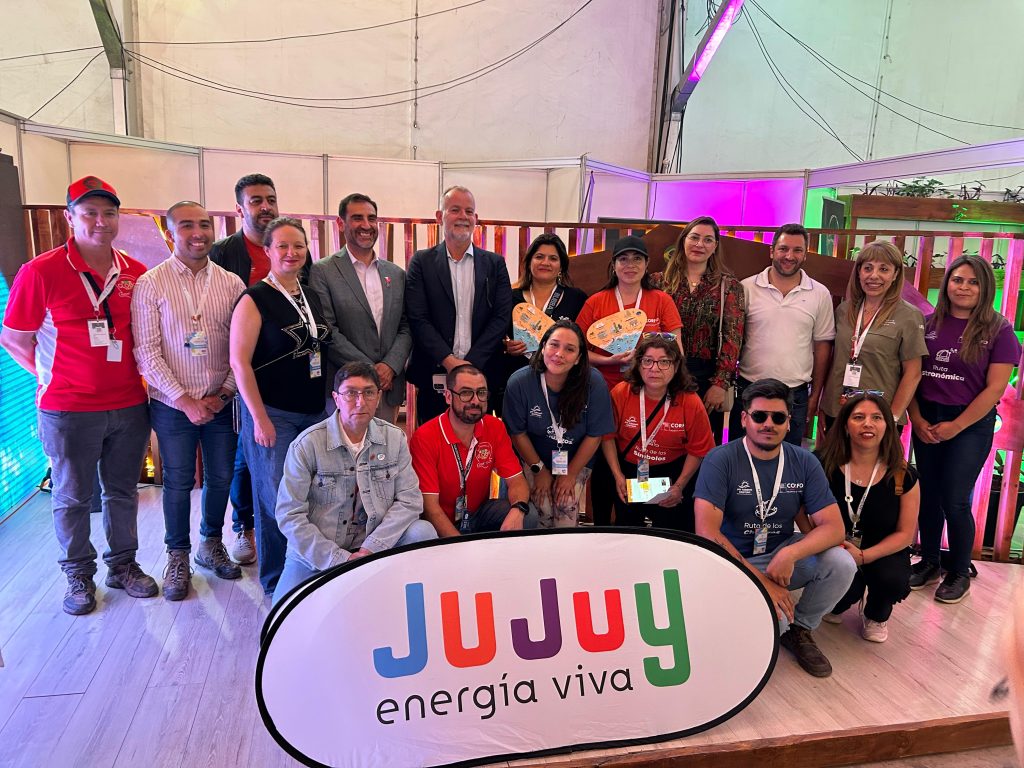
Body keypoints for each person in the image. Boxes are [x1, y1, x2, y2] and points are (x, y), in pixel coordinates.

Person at [1, 176, 158, 614]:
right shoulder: (41, 271)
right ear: (70, 218)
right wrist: (51, 376)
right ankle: (78, 574)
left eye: (109, 213)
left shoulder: (135, 272)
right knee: (72, 497)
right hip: (68, 409)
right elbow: (14, 338)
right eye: (90, 213)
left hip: (128, 404)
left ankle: (123, 566)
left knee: (122, 492)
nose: (101, 221)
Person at [695, 378, 855, 677]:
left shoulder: (804, 461)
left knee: (841, 562)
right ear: (744, 419)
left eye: (778, 418)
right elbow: (707, 533)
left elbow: (834, 528)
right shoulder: (721, 459)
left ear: (788, 422)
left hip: (780, 554)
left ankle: (801, 629)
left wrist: (790, 553)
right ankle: (764, 620)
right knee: (771, 626)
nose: (768, 424)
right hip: (732, 562)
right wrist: (762, 582)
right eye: (760, 416)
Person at [131, 201, 247, 601]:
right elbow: (146, 352)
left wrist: (224, 392)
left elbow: (241, 347)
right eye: (186, 225)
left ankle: (210, 544)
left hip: (221, 401)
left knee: (221, 477)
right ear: (170, 233)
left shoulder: (231, 284)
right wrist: (184, 400)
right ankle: (177, 555)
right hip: (171, 405)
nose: (198, 233)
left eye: (204, 224)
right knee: (179, 481)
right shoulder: (151, 284)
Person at [272, 363, 438, 604]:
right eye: (351, 393)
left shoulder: (394, 438)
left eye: (368, 392)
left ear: (378, 397)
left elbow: (410, 500)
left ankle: (398, 598)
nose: (360, 402)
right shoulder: (307, 444)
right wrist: (339, 559)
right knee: (283, 612)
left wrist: (372, 548)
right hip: (320, 551)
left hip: (375, 543)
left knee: (423, 532)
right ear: (336, 399)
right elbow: (289, 515)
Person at [908, 256, 1022, 604]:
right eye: (958, 280)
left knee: (955, 499)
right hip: (927, 419)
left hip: (969, 424)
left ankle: (958, 571)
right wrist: (917, 418)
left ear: (984, 287)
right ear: (947, 284)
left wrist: (956, 426)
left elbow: (994, 389)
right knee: (928, 494)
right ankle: (929, 561)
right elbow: (911, 376)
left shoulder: (998, 330)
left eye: (973, 282)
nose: (964, 287)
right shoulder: (927, 323)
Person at [229, 217, 330, 597]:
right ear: (268, 250)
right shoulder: (254, 298)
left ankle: (306, 573)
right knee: (276, 501)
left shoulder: (310, 296)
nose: (291, 253)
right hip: (274, 414)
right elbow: (239, 362)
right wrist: (258, 418)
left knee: (312, 497)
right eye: (283, 246)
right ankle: (276, 582)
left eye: (298, 246)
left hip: (313, 412)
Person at [575, 234, 683, 525]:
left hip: (652, 397)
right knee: (603, 465)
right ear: (613, 265)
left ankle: (643, 525)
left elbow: (677, 348)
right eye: (623, 259)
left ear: (647, 265)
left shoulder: (661, 300)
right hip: (605, 394)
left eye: (637, 259)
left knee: (643, 457)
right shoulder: (597, 302)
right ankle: (601, 526)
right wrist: (607, 360)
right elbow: (577, 351)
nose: (630, 265)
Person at [210, 173, 289, 566]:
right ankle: (243, 526)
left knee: (279, 458)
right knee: (244, 454)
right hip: (238, 370)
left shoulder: (286, 248)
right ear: (240, 209)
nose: (265, 207)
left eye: (270, 199)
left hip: (283, 372)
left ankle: (288, 529)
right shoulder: (223, 253)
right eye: (256, 201)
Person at [814, 393, 919, 643]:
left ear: (888, 426)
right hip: (835, 546)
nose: (868, 424)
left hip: (883, 550)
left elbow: (905, 534)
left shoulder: (903, 474)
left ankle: (877, 614)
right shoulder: (822, 464)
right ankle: (846, 595)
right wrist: (825, 546)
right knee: (840, 594)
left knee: (892, 579)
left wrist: (864, 556)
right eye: (858, 417)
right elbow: (802, 511)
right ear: (845, 425)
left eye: (877, 418)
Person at [406, 186, 513, 424]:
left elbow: (501, 317)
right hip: (434, 373)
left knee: (478, 440)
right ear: (439, 216)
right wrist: (449, 361)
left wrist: (470, 365)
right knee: (434, 439)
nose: (463, 216)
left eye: (469, 211)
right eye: (455, 210)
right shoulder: (422, 262)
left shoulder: (495, 264)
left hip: (482, 374)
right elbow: (417, 317)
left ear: (476, 219)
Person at [309, 193, 411, 423]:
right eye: (357, 218)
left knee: (384, 445)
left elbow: (406, 326)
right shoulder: (323, 271)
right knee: (344, 447)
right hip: (346, 389)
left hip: (388, 388)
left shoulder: (396, 274)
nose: (366, 225)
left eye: (371, 218)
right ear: (341, 223)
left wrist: (390, 366)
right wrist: (371, 371)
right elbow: (327, 330)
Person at [730, 223, 835, 445]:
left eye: (797, 250)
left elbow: (822, 346)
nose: (789, 256)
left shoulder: (820, 294)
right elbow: (733, 338)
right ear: (772, 251)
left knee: (788, 457)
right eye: (783, 249)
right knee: (741, 454)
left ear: (805, 255)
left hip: (795, 395)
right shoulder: (746, 288)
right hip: (749, 389)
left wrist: (815, 395)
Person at [502, 320, 613, 527]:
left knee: (565, 510)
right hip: (534, 458)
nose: (559, 354)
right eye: (554, 345)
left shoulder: (594, 383)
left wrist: (571, 474)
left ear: (579, 358)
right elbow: (517, 433)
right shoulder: (519, 382)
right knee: (541, 510)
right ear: (543, 346)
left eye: (570, 349)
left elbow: (595, 435)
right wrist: (539, 470)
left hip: (576, 459)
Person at [602, 334, 715, 532]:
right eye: (648, 361)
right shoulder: (621, 393)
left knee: (672, 533)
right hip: (629, 471)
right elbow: (607, 437)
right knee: (628, 532)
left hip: (672, 473)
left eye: (664, 362)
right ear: (638, 364)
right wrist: (617, 475)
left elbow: (698, 450)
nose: (654, 369)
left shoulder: (690, 401)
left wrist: (679, 486)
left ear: (676, 366)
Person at [410, 365, 532, 536]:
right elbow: (430, 508)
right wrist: (460, 545)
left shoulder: (495, 427)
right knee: (423, 530)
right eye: (466, 393)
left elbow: (517, 480)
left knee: (528, 515)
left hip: (476, 515)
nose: (475, 401)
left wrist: (518, 510)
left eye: (481, 393)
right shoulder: (425, 436)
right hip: (440, 522)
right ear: (448, 396)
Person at [652, 216, 744, 441]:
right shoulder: (658, 282)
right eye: (694, 237)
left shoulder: (728, 286)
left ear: (715, 247)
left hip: (707, 376)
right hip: (663, 371)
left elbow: (733, 338)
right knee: (663, 437)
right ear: (683, 241)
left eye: (707, 240)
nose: (699, 244)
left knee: (701, 441)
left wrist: (720, 383)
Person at [821, 241, 926, 428]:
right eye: (868, 268)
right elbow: (834, 360)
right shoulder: (844, 310)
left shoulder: (909, 316)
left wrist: (892, 417)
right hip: (838, 410)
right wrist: (824, 406)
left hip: (879, 417)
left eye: (884, 269)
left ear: (895, 274)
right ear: (859, 272)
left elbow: (913, 373)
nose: (874, 276)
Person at [503, 233, 588, 374]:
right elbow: (496, 334)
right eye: (539, 257)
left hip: (561, 377)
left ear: (561, 266)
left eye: (553, 258)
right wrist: (506, 345)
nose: (545, 263)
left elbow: (583, 344)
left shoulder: (576, 298)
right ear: (529, 262)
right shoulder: (509, 297)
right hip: (516, 375)